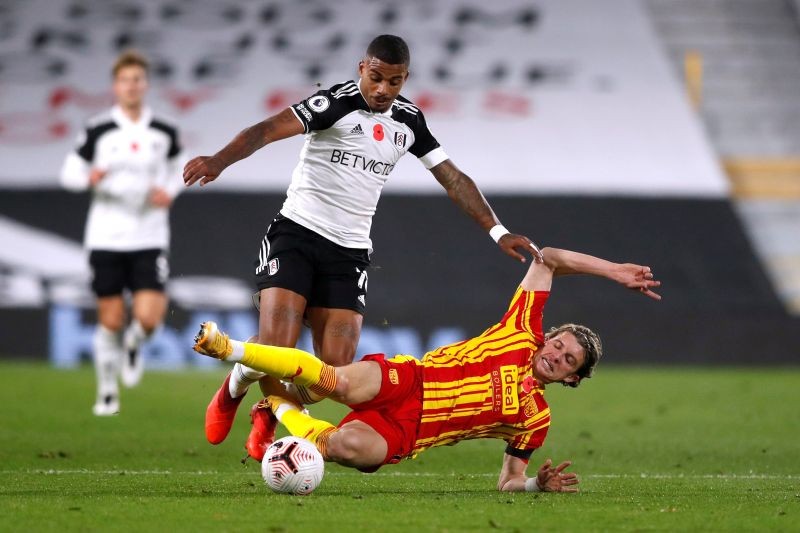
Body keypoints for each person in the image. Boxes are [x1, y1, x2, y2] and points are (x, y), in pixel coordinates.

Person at [182, 35, 542, 450]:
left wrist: (498, 230)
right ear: (361, 70)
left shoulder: (408, 122)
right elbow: (265, 130)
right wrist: (218, 161)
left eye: (395, 81)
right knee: (277, 347)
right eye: (376, 78)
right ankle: (233, 388)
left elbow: (452, 177)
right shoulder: (333, 104)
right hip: (296, 234)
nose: (383, 90)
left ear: (405, 79)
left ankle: (271, 408)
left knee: (333, 373)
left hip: (348, 252)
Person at [192, 246, 661, 492]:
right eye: (558, 343)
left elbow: (508, 482)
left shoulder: (535, 420)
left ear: (572, 379)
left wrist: (538, 484)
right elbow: (549, 259)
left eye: (567, 360)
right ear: (547, 336)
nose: (556, 354)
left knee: (346, 449)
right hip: (412, 377)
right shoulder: (522, 329)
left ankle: (273, 405)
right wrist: (615, 271)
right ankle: (227, 347)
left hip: (410, 433)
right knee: (334, 380)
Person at [60, 50, 184, 416]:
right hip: (106, 236)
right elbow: (68, 173)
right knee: (110, 318)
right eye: (125, 79)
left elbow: (181, 167)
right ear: (116, 86)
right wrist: (88, 177)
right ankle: (107, 390)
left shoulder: (164, 131)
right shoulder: (99, 129)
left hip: (149, 236)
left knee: (147, 320)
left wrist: (170, 190)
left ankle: (134, 342)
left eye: (138, 79)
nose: (132, 85)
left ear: (145, 85)